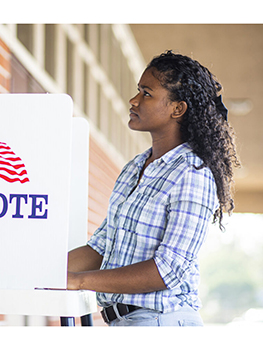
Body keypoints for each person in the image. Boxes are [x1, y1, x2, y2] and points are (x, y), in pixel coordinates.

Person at [67, 51, 240, 326]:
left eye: (146, 93)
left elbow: (166, 270)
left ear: (177, 108)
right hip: (124, 323)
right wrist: (44, 271)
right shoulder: (134, 168)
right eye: (138, 91)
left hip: (163, 323)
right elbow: (101, 247)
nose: (133, 101)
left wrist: (79, 281)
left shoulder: (193, 174)